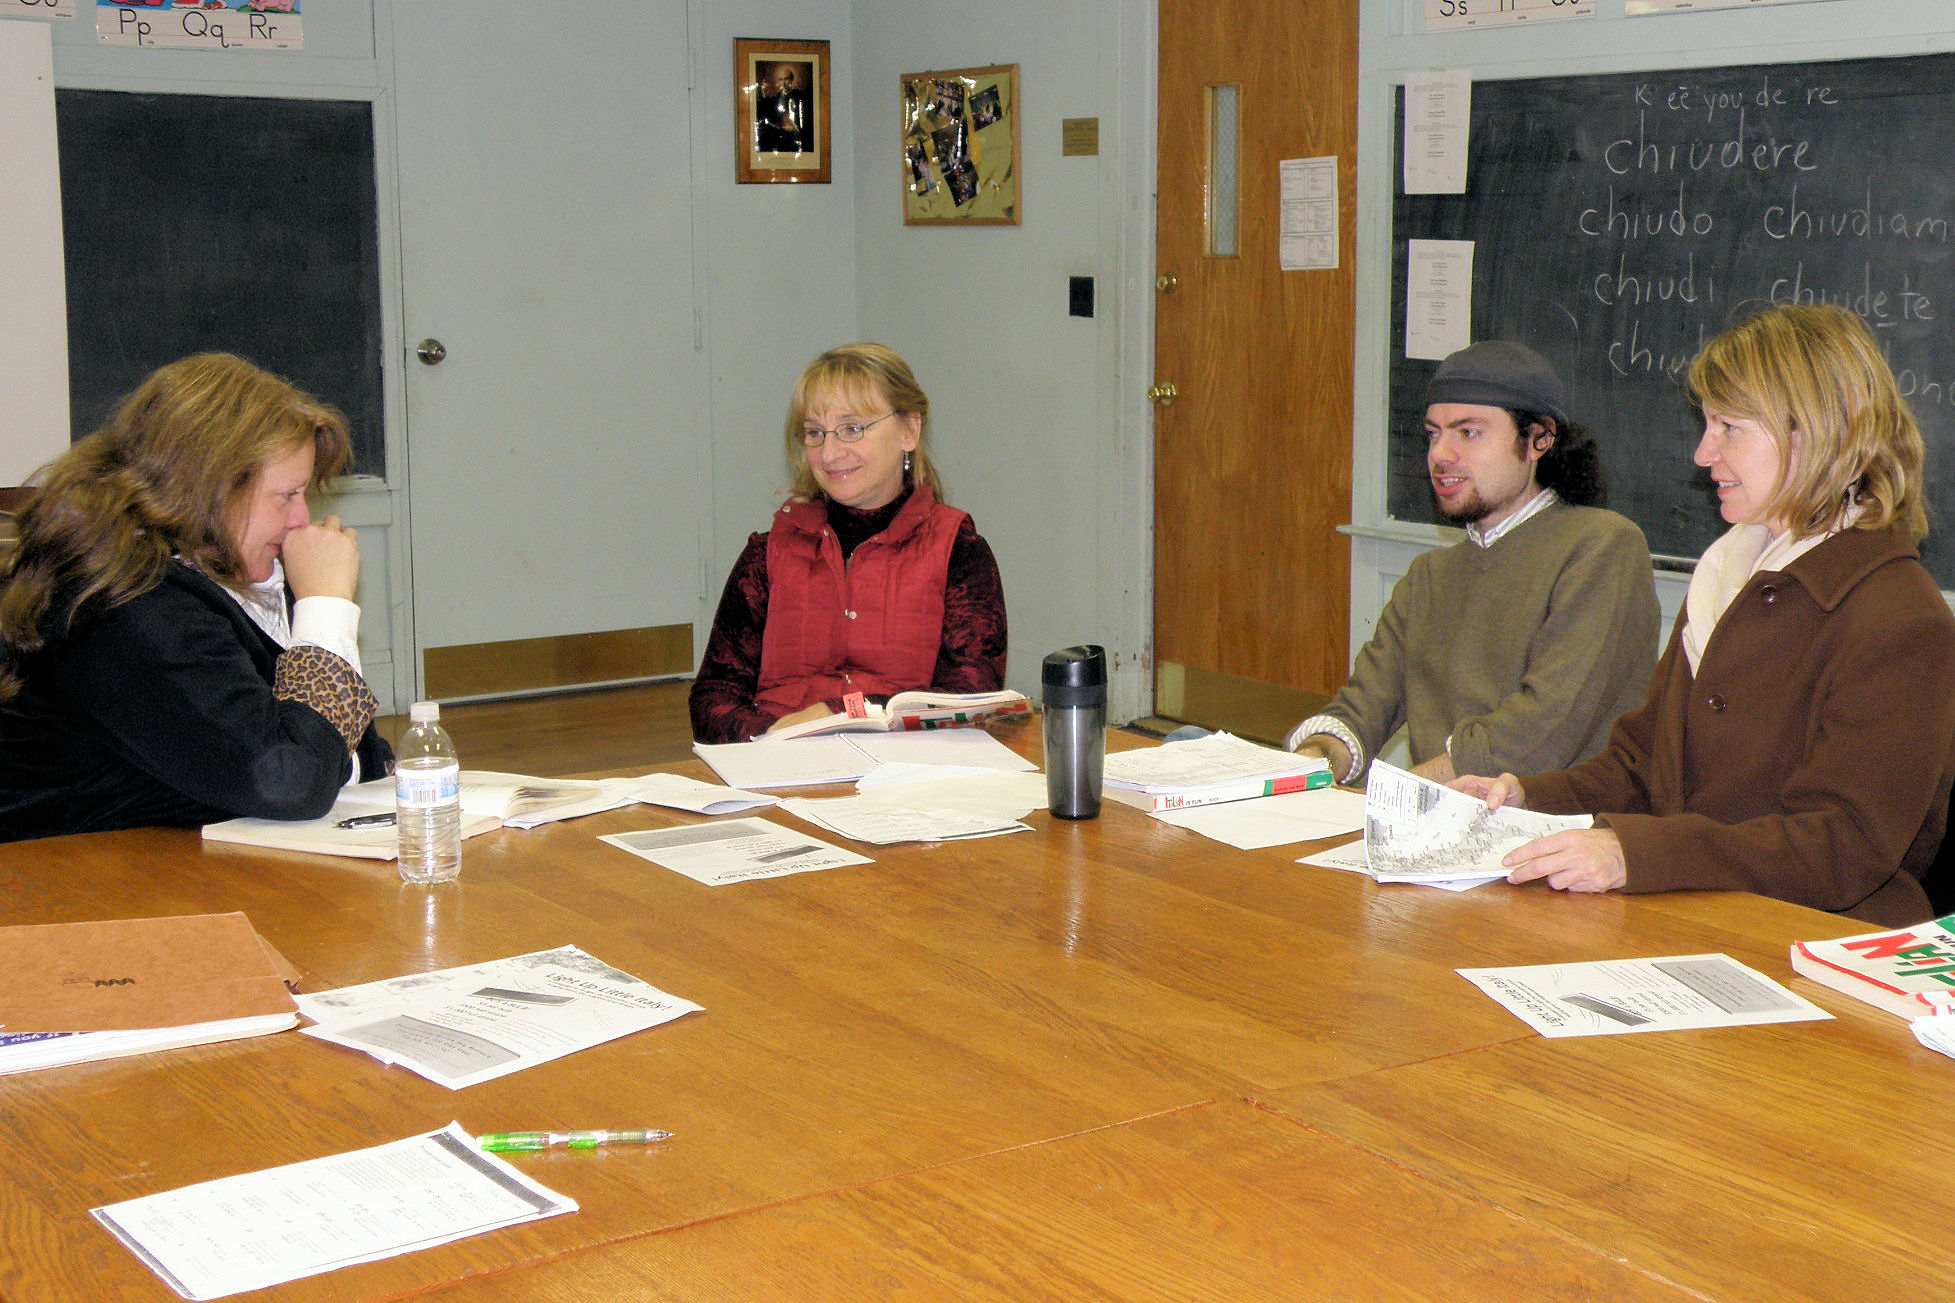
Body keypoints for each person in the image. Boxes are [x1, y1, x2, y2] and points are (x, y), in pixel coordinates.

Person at [1458, 305, 1955, 926]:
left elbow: (1842, 846)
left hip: (1813, 942)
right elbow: (1644, 766)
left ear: (1815, 433)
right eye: (1707, 425)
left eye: (1729, 428)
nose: (1702, 453)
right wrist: (1523, 797)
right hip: (1695, 913)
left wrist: (1635, 855)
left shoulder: (1900, 619)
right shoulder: (1729, 576)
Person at [0, 353, 391, 843]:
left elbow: (354, 754)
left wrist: (329, 751)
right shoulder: (126, 606)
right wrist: (327, 609)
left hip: (160, 854)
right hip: (57, 872)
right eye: (286, 495)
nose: (300, 520)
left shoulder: (234, 576)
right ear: (210, 489)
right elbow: (293, 781)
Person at [1286, 340, 1659, 785]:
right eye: (1433, 433)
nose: (1440, 454)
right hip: (1436, 812)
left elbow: (1542, 730)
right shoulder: (1429, 576)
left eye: (1468, 433)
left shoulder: (1603, 547)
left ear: (1538, 439)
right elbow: (1360, 711)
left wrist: (1400, 792)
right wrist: (1308, 767)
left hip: (1551, 820)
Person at [689, 343, 1007, 744]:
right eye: (815, 433)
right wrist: (770, 738)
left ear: (909, 431)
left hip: (902, 764)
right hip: (777, 758)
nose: (829, 453)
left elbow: (970, 697)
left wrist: (843, 714)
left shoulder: (958, 549)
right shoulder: (766, 553)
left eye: (852, 429)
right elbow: (712, 697)